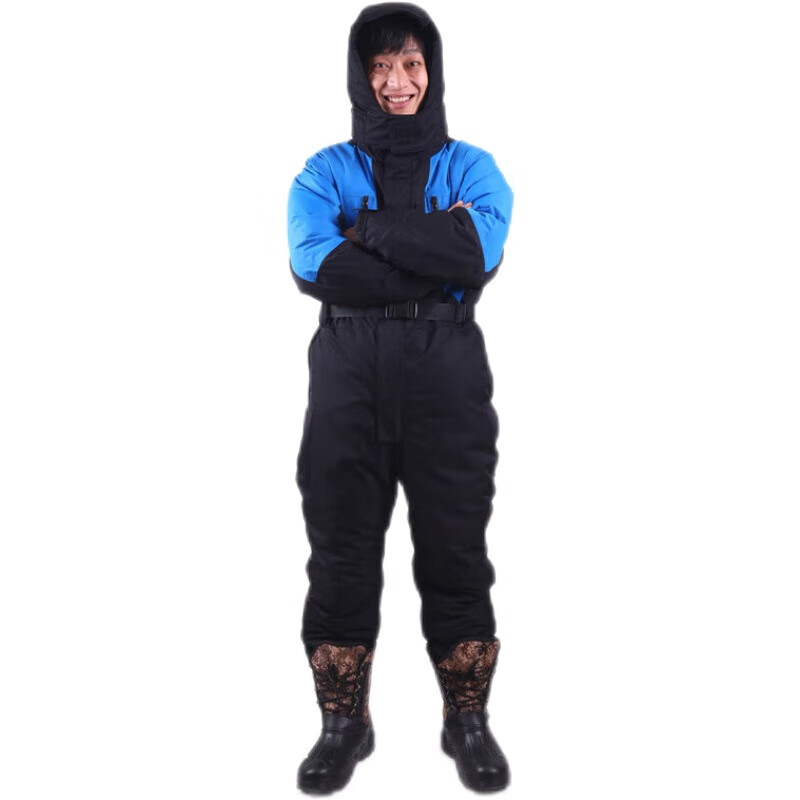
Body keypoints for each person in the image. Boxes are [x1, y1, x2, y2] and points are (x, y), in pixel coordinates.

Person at [287, 2, 513, 793]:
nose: (397, 80)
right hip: (346, 378)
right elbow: (316, 266)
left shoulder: (474, 167)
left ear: (433, 71)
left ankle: (466, 721)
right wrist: (429, 246)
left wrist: (369, 228)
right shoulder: (322, 172)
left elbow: (476, 253)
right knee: (340, 551)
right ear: (360, 76)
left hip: (448, 378)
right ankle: (343, 725)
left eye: (411, 63)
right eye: (380, 65)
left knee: (456, 550)